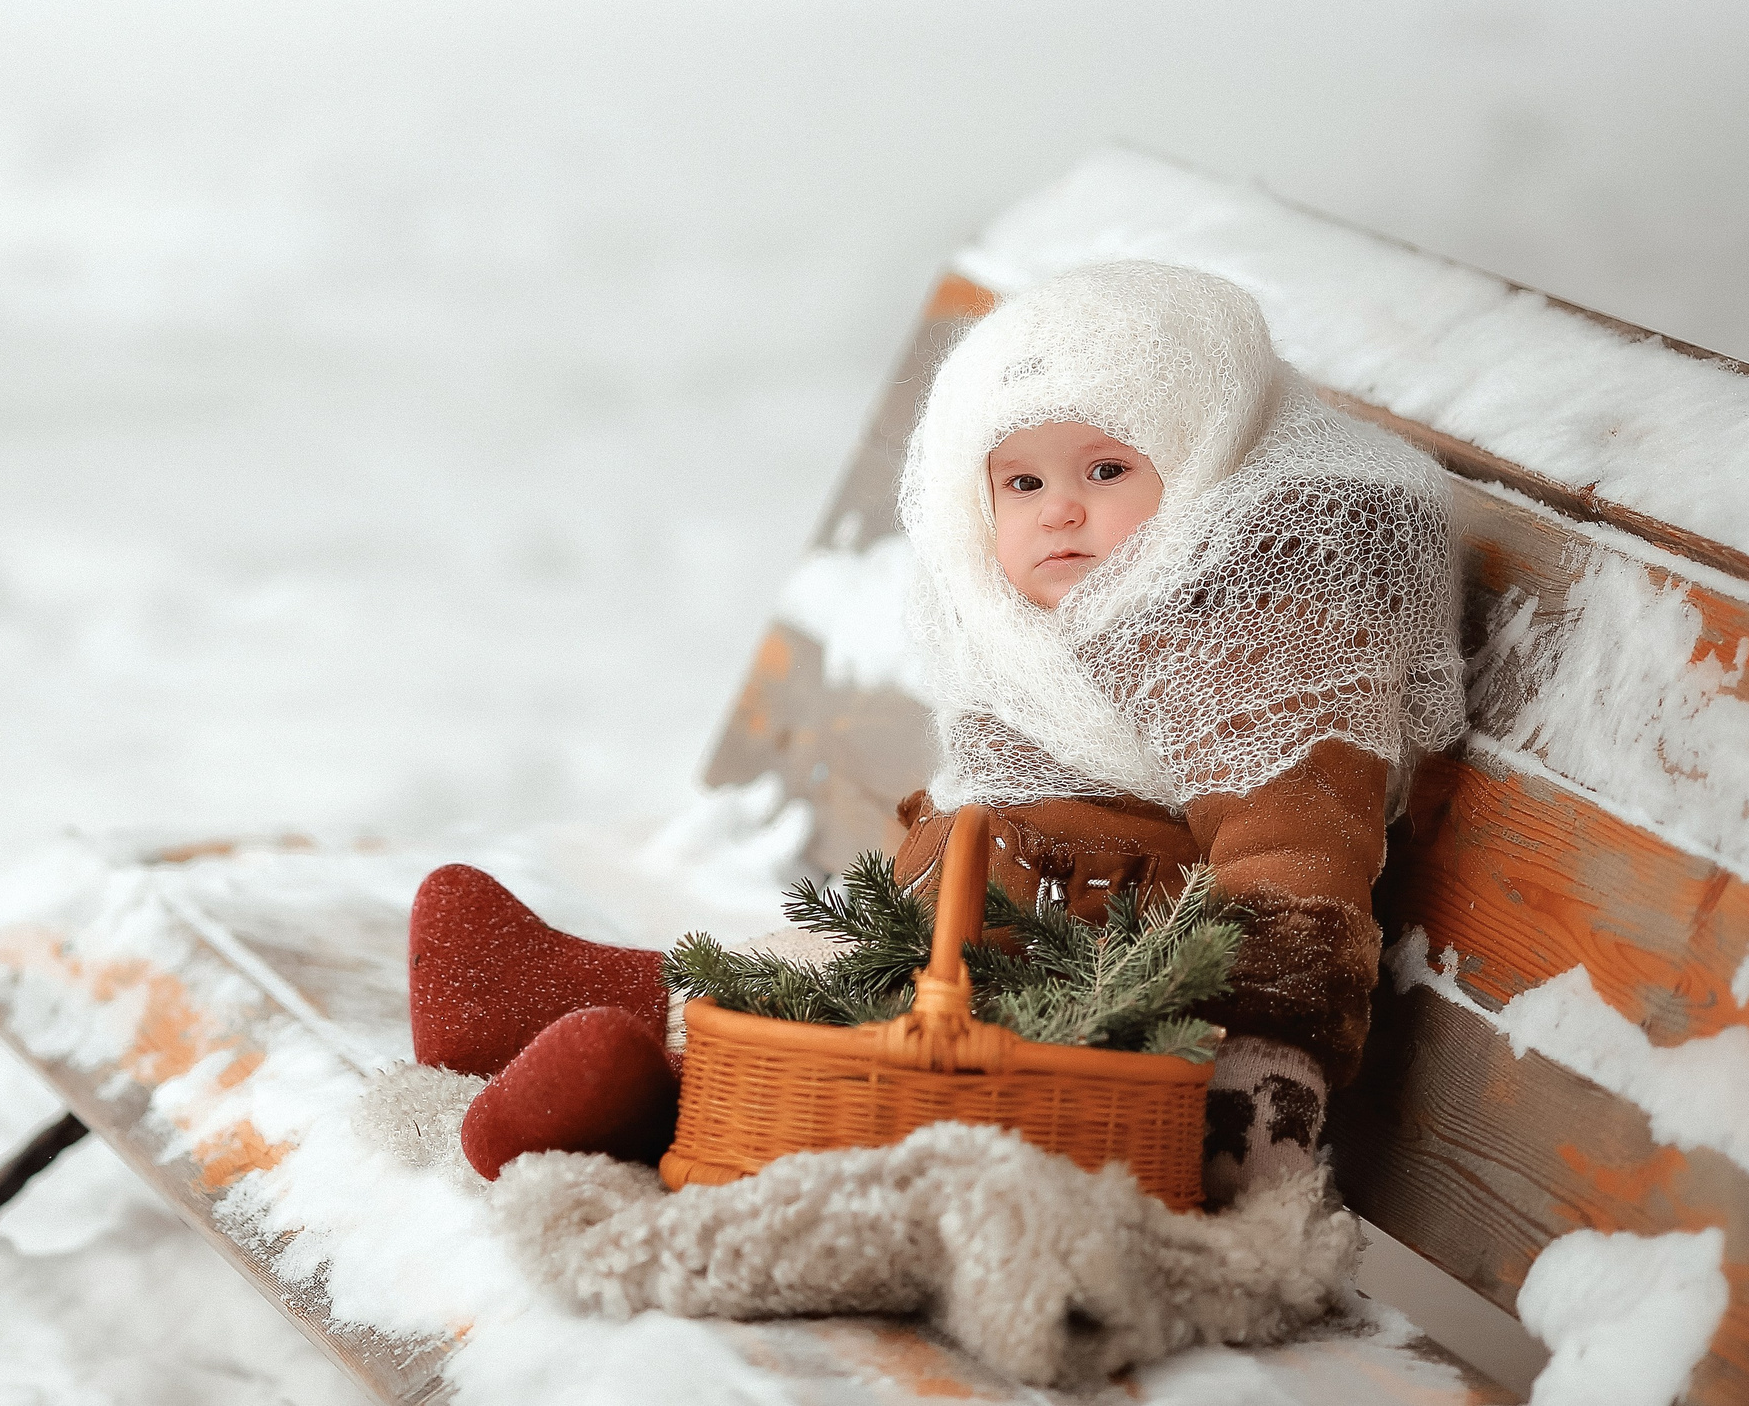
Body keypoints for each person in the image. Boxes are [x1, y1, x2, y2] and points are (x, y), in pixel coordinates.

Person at [409, 261, 1466, 1203]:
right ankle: (594, 1017)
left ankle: (636, 1093)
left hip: (1082, 988)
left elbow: (1293, 855)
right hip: (964, 943)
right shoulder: (1045, 643)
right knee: (807, 980)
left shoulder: (1261, 628)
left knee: (860, 1058)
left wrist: (1260, 1069)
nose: (1058, 510)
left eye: (1105, 470)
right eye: (1022, 481)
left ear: (1203, 469)